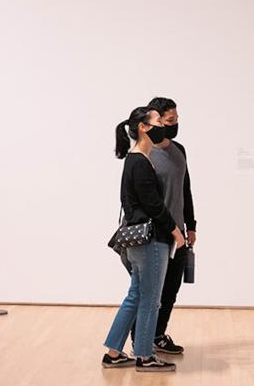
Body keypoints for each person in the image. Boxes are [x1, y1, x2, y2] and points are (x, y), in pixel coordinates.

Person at [102, 107, 186, 372]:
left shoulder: (136, 159)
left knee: (136, 295)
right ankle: (145, 356)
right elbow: (154, 206)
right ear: (143, 127)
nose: (163, 124)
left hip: (141, 242)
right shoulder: (139, 161)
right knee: (151, 299)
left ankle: (114, 353)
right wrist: (176, 232)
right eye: (158, 121)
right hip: (150, 242)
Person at [143, 96, 198, 354]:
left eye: (177, 120)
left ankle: (157, 335)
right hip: (154, 234)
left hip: (178, 234)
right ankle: (140, 341)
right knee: (149, 294)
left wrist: (191, 225)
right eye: (169, 120)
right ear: (155, 120)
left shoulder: (180, 151)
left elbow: (185, 190)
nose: (175, 125)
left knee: (171, 290)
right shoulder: (144, 153)